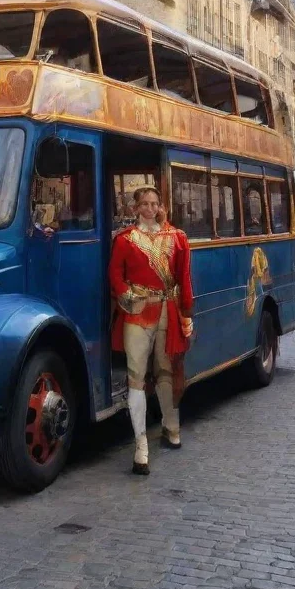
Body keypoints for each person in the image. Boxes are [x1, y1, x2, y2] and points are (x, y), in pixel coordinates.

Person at [109, 186, 194, 476]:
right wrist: (126, 296)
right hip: (136, 314)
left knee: (166, 370)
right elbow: (115, 276)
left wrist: (187, 312)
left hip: (167, 312)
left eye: (153, 203)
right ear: (135, 208)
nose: (148, 208)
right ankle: (140, 445)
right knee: (136, 377)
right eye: (143, 203)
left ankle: (171, 425)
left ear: (160, 207)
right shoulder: (124, 240)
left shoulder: (176, 238)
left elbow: (183, 277)